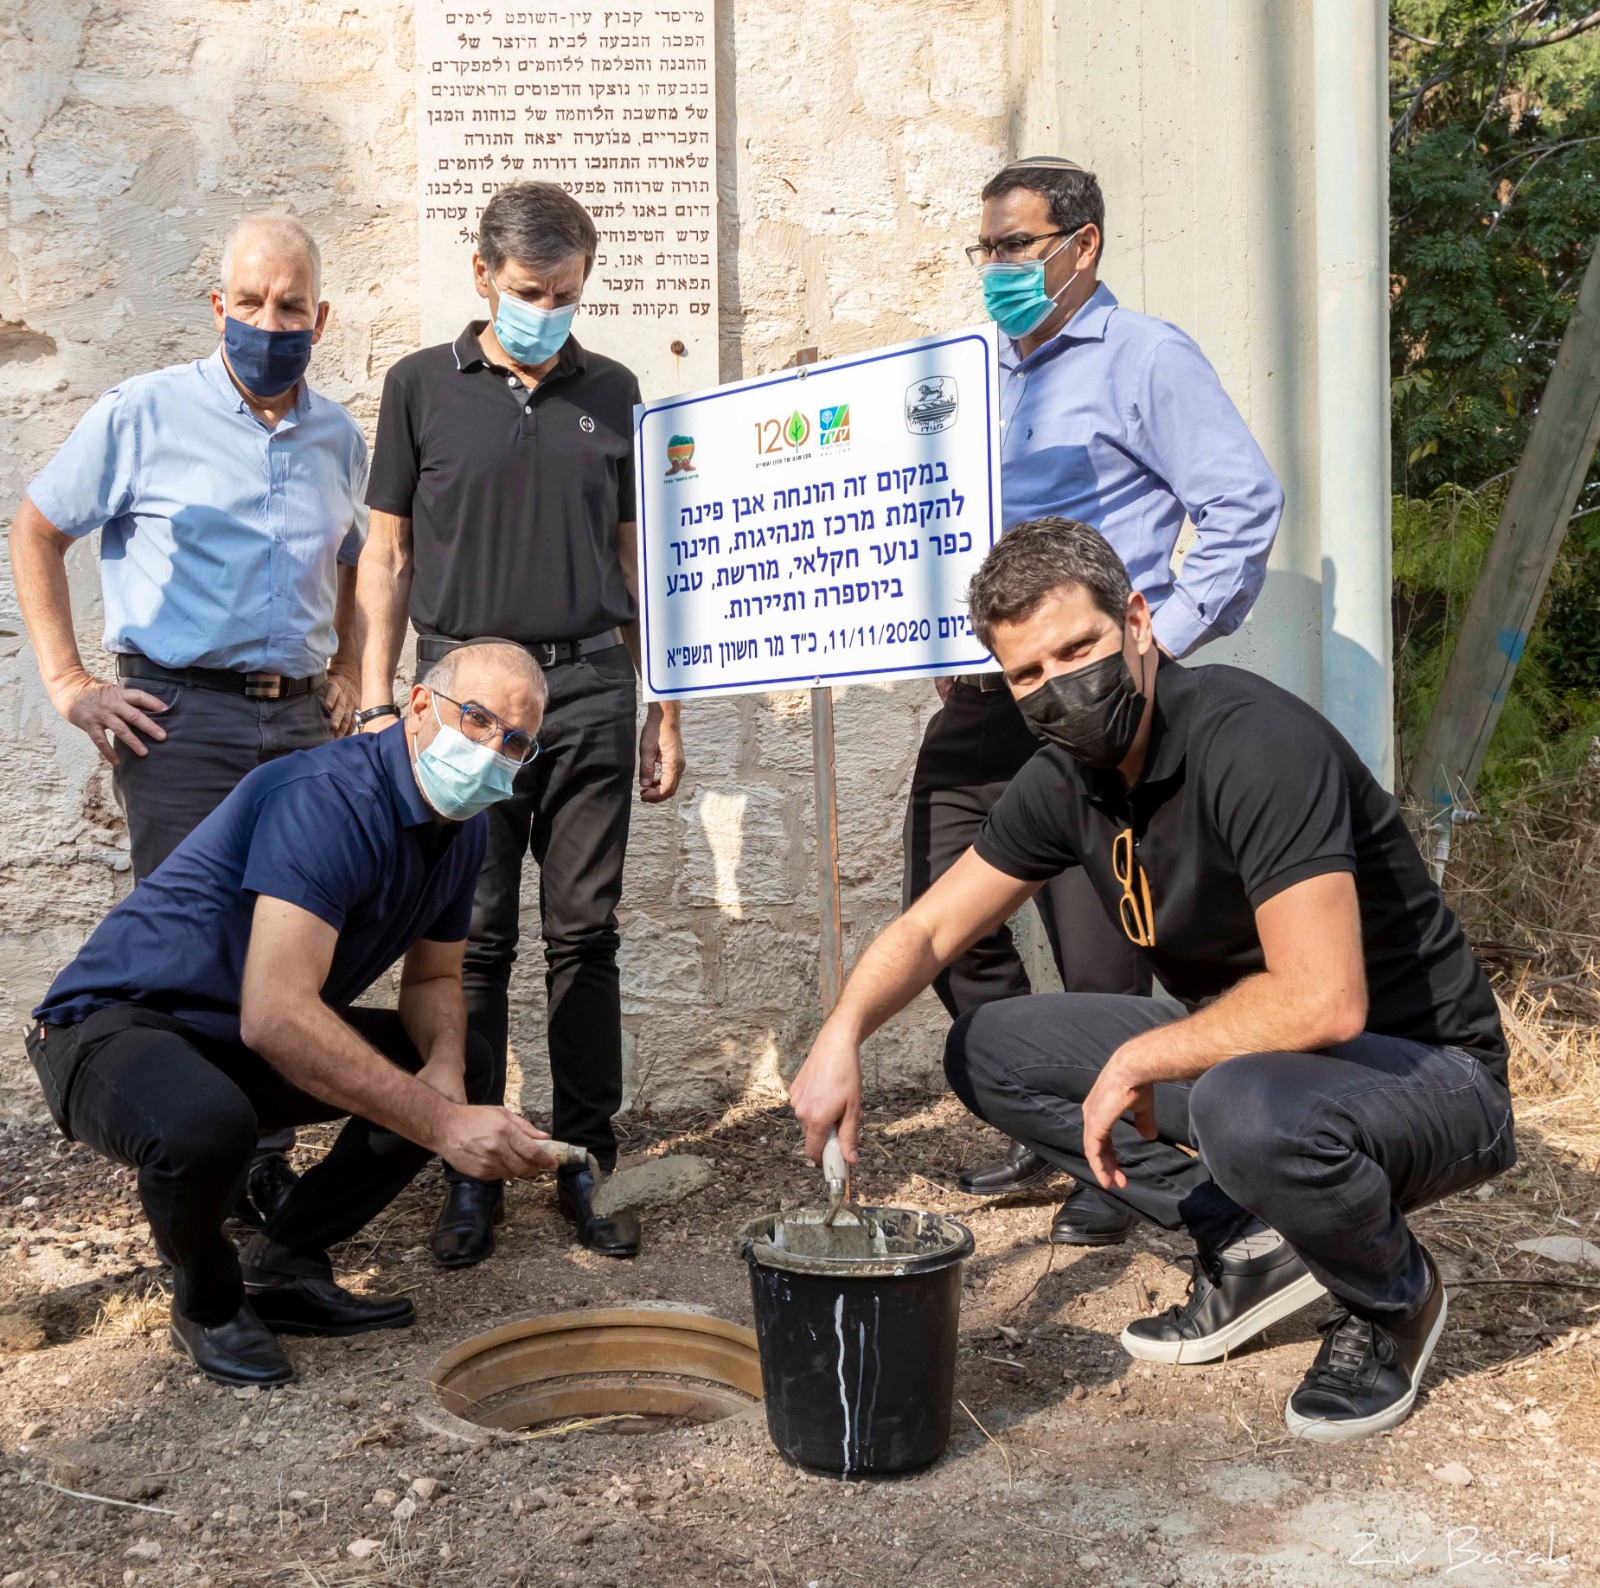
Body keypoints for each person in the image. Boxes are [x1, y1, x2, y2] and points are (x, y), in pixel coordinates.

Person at [794, 519, 1514, 1443]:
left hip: (1427, 1075)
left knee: (1243, 1104)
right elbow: (934, 925)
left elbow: (1324, 998)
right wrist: (840, 1031)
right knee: (988, 1048)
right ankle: (1249, 1244)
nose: (1060, 688)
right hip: (1266, 1060)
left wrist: (1145, 1052)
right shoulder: (1067, 779)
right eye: (1028, 676)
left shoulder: (1250, 742)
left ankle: (1392, 1301)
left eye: (1078, 649)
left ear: (1136, 621)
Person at [908, 157, 1285, 1246]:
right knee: (946, 912)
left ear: (1083, 245)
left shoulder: (1144, 356)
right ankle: (1048, 1119)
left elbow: (1239, 502)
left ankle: (1115, 1158)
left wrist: (1152, 641)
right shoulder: (982, 374)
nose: (996, 268)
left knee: (1097, 945)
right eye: (985, 248)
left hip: (1093, 702)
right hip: (987, 695)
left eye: (1015, 246)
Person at [26, 641, 558, 1387]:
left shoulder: (463, 829)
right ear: (416, 707)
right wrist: (442, 1125)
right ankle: (208, 1305)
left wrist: (442, 1074)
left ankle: (287, 1266)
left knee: (455, 1061)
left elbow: (436, 977)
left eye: (515, 741)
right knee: (208, 1125)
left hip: (231, 1038)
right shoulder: (327, 798)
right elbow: (275, 1016)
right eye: (476, 720)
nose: (491, 751)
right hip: (109, 1027)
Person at [10, 213, 369, 1229]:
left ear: (320, 315)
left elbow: (360, 563)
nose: (270, 321)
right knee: (194, 952)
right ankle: (197, 1170)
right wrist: (69, 678)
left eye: (290, 305)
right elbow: (37, 529)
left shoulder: (339, 434)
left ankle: (264, 1166)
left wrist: (348, 669)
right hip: (180, 723)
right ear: (217, 306)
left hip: (298, 725)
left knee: (293, 946)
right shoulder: (143, 413)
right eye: (250, 302)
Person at [354, 182, 685, 1269]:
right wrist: (370, 702)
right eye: (533, 291)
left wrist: (662, 700)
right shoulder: (418, 389)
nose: (551, 311)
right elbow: (387, 558)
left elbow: (640, 559)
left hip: (589, 689)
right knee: (471, 943)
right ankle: (472, 1170)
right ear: (483, 276)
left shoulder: (616, 390)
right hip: (462, 705)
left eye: (570, 294)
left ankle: (586, 1158)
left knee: (585, 934)